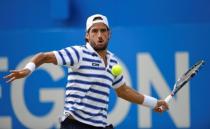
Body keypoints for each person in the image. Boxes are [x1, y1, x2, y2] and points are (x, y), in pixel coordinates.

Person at [4, 14, 169, 129]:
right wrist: (28, 70)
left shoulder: (113, 61)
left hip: (99, 125)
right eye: (94, 31)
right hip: (75, 125)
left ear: (109, 34)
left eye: (103, 30)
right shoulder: (78, 53)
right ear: (87, 36)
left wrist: (154, 103)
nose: (99, 35)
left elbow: (123, 90)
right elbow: (44, 56)